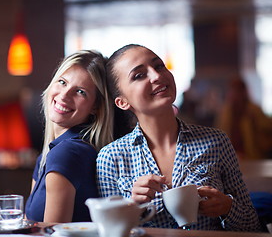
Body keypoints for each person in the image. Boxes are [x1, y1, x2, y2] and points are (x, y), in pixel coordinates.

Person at [97, 44, 261, 231]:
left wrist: (228, 207)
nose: (157, 76)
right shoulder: (111, 157)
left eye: (158, 66)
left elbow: (252, 226)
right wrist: (132, 206)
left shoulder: (216, 141)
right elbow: (109, 231)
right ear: (122, 102)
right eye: (139, 75)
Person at [25, 50, 114, 222]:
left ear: (95, 107)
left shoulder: (67, 153)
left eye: (80, 91)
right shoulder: (47, 155)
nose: (64, 95)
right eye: (62, 82)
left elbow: (54, 233)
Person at [215, 77, 272, 160]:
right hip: (230, 157)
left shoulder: (254, 110)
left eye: (238, 91)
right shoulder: (225, 113)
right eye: (233, 90)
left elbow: (267, 129)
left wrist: (254, 121)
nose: (236, 94)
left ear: (244, 92)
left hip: (252, 157)